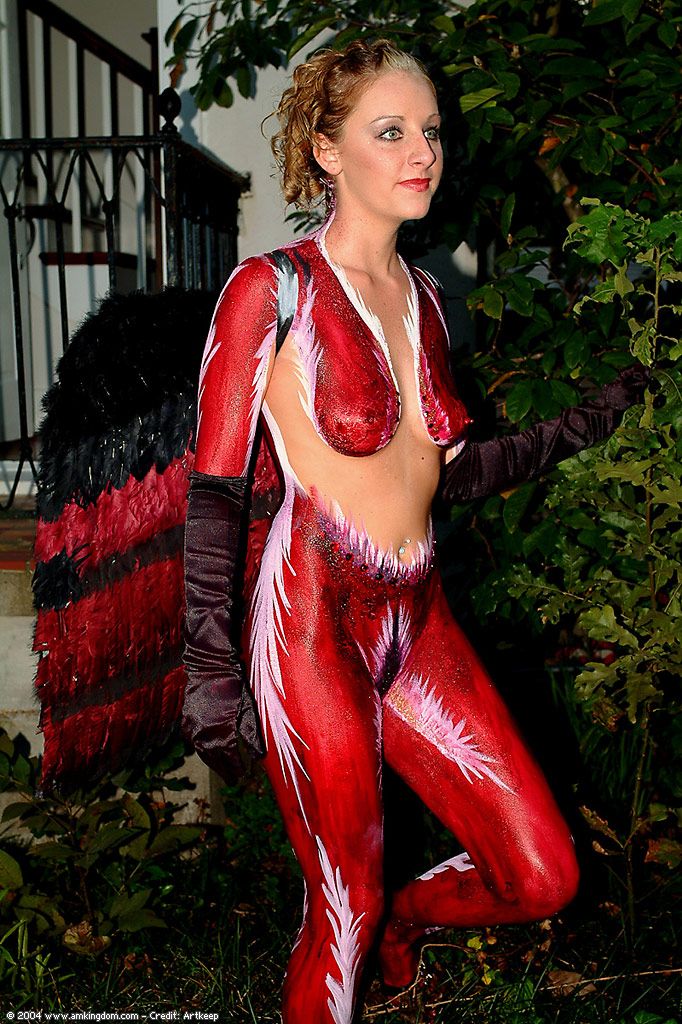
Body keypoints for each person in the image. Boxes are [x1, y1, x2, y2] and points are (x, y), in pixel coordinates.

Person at [181, 40, 646, 1024]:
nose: (422, 152)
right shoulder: (271, 291)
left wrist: (582, 424)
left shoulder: (428, 298)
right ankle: (362, 927)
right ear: (327, 149)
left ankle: (406, 919)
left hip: (416, 619)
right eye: (389, 131)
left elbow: (449, 473)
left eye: (429, 131)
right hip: (313, 625)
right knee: (339, 905)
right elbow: (215, 489)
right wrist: (210, 670)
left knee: (543, 873)